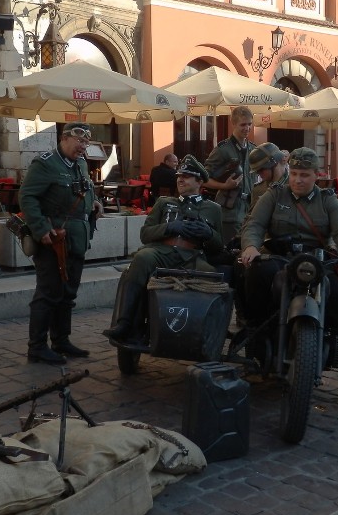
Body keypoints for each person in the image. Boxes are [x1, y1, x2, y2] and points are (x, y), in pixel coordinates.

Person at [239, 147, 338, 410]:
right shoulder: (274, 194)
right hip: (280, 259)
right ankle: (255, 332)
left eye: (305, 175)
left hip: (316, 263)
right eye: (294, 174)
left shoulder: (327, 200)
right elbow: (255, 224)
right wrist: (251, 247)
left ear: (317, 175)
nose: (298, 180)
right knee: (258, 275)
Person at [103, 155, 224, 343]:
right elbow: (145, 234)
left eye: (186, 176)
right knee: (142, 258)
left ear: (200, 181)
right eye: (179, 176)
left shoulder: (213, 209)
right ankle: (125, 323)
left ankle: (205, 333)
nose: (180, 180)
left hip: (192, 256)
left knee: (212, 277)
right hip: (161, 252)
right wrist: (169, 228)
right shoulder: (164, 203)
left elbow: (218, 247)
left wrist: (208, 233)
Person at [19, 122, 104, 364]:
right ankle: (36, 347)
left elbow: (84, 188)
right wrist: (41, 228)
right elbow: (27, 196)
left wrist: (93, 201)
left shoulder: (80, 163)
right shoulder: (46, 163)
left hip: (77, 239)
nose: (83, 146)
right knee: (48, 294)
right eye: (79, 141)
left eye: (86, 142)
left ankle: (61, 341)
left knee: (68, 293)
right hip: (53, 239)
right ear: (64, 138)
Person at [204, 105, 256, 243]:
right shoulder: (223, 149)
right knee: (230, 249)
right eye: (243, 124)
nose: (247, 128)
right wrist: (224, 186)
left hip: (249, 208)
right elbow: (203, 178)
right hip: (230, 211)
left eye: (249, 124)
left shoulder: (253, 149)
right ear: (233, 124)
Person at [248, 142, 288, 209]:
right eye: (257, 171)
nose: (258, 173)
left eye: (261, 169)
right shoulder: (258, 190)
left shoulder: (294, 187)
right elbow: (252, 218)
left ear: (274, 164)